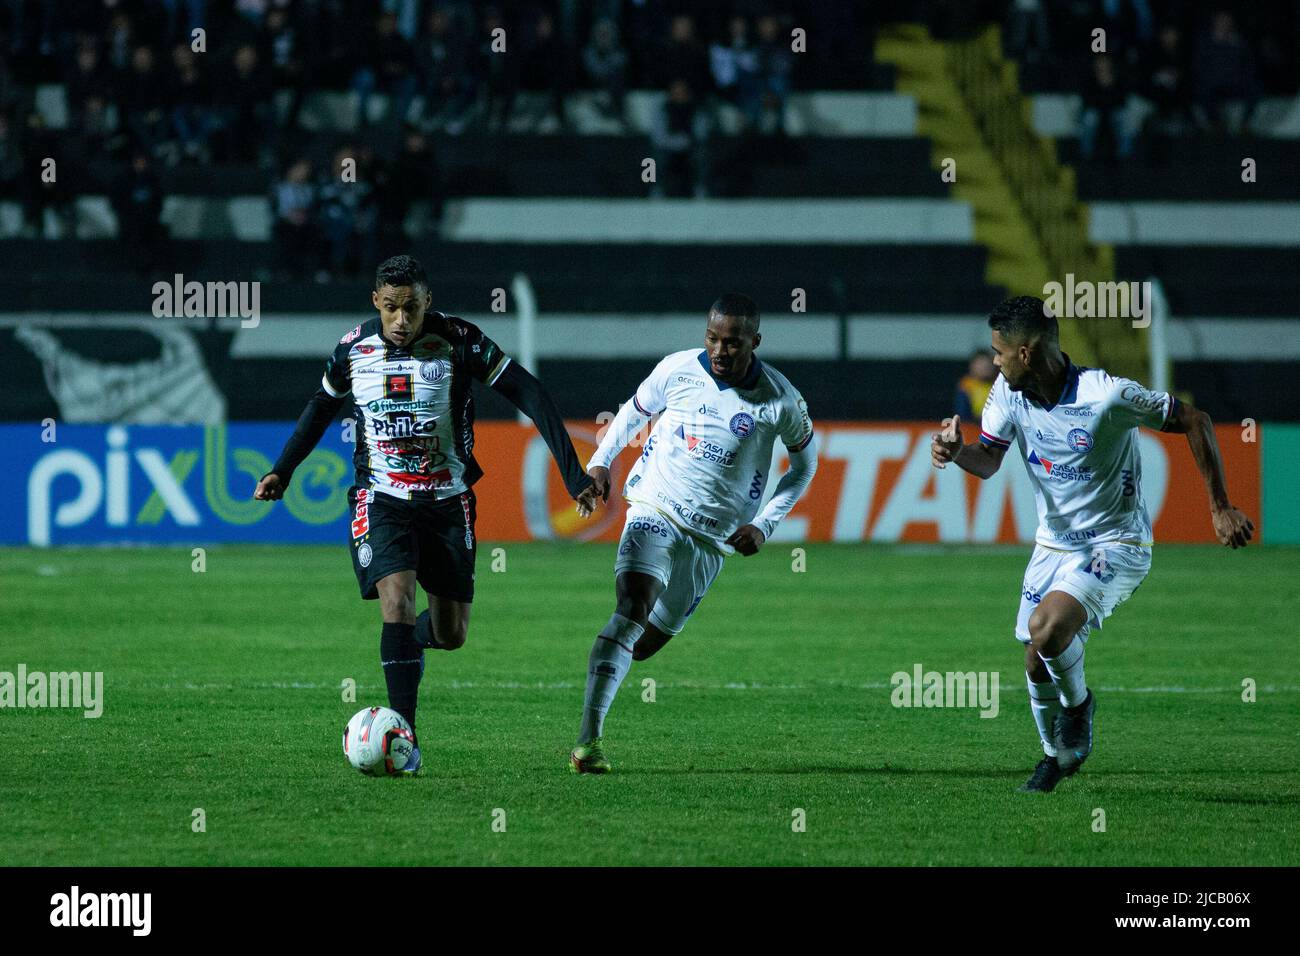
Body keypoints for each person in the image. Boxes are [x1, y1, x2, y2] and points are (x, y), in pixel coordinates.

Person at [254, 255, 597, 775]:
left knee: (451, 632)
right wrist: (283, 469)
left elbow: (530, 391)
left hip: (449, 499)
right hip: (381, 498)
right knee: (396, 597)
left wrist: (573, 475)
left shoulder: (460, 342)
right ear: (376, 302)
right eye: (390, 307)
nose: (399, 319)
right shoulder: (353, 349)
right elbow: (319, 408)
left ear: (426, 303)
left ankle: (406, 654)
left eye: (410, 308)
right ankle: (405, 736)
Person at [931, 296, 1253, 792]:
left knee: (1047, 627)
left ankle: (1079, 708)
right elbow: (988, 460)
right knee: (1036, 659)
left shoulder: (1106, 396)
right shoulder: (1007, 392)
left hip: (1116, 541)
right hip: (1052, 546)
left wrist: (1219, 507)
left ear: (1028, 351)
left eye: (1000, 351)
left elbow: (1196, 420)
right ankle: (1052, 758)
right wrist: (956, 454)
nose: (993, 360)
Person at [569, 293, 818, 773]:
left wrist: (764, 525)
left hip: (712, 541)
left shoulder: (781, 399)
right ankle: (588, 743)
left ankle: (605, 680)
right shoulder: (677, 369)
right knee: (630, 608)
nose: (720, 351)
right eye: (713, 338)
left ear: (754, 342)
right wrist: (600, 461)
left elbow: (804, 469)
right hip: (654, 507)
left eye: (732, 342)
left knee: (641, 646)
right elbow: (633, 412)